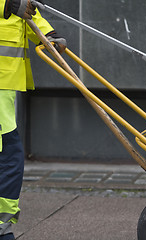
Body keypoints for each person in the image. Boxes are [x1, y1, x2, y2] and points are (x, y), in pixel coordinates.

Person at [0, 0, 66, 239]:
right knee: (8, 156)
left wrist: (47, 34)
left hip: (5, 82)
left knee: (8, 157)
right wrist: (6, 5)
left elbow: (24, 11)